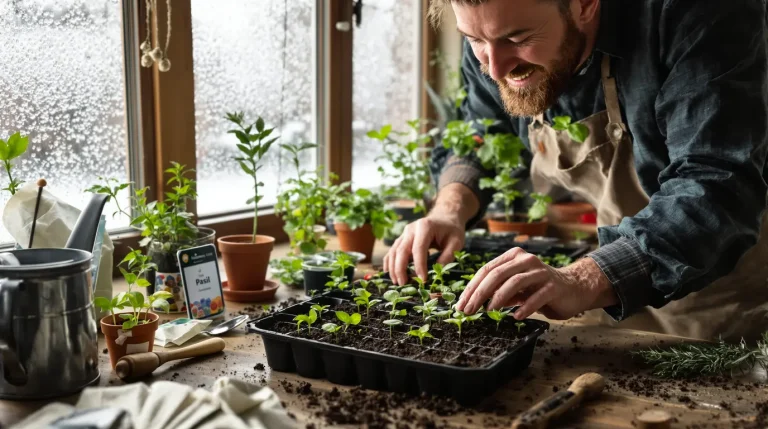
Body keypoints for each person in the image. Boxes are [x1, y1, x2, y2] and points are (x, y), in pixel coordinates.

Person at [383, 0, 768, 342]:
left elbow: (716, 184)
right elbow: (480, 134)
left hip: (713, 293)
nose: (495, 68)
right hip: (604, 280)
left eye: (518, 38)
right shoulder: (493, 35)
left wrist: (581, 278)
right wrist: (449, 210)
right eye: (474, 40)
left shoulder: (701, 13)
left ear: (584, 4)